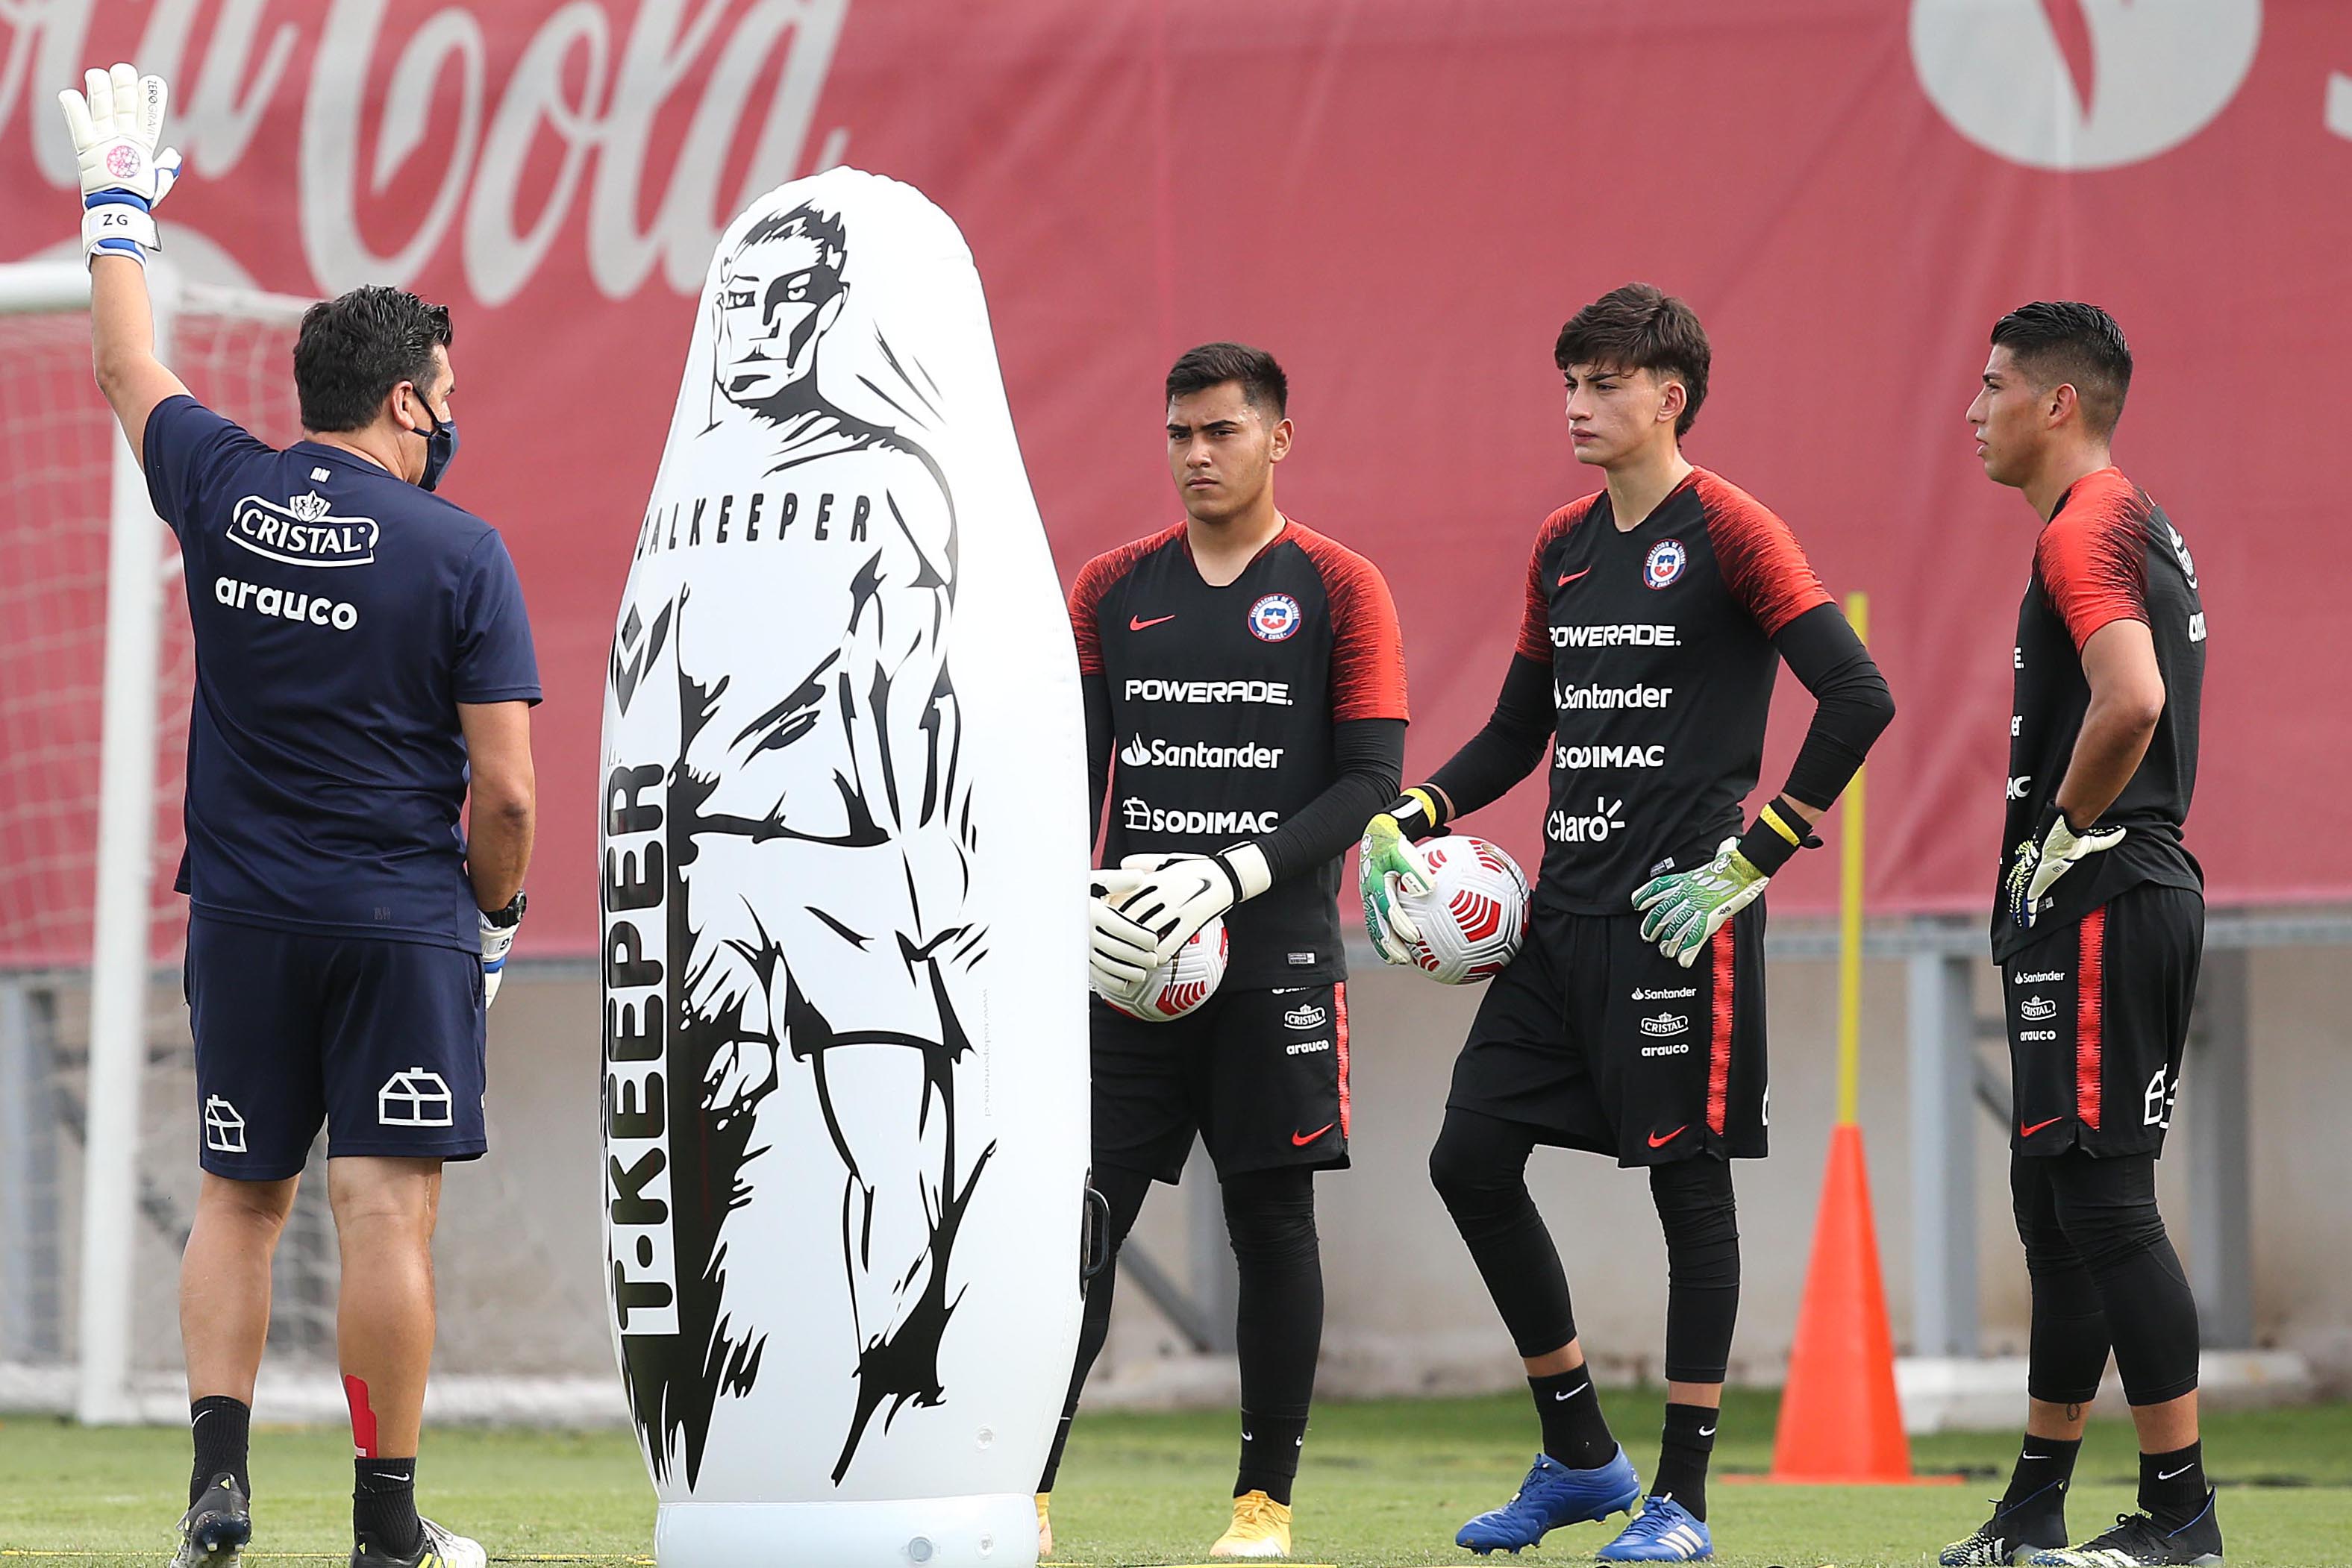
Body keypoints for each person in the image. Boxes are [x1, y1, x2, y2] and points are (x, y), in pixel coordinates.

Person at [61, 64, 537, 1568]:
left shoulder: (222, 482)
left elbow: (127, 364)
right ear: (407, 399)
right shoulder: (461, 551)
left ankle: (217, 1487)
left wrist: (118, 199)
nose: (451, 417)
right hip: (398, 917)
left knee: (238, 1195)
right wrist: (499, 907)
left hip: (245, 915)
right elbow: (511, 791)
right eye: (446, 396)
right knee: (385, 1216)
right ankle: (388, 1533)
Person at [1360, 283, 1893, 1561]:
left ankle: (1684, 1503)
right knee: (1467, 1159)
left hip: (1676, 926)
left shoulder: (1737, 533)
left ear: (1670, 397)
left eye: (1601, 384)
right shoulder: (1563, 544)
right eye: (1569, 383)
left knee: (1687, 1197)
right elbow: (1516, 731)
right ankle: (1580, 1454)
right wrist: (1414, 808)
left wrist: (1759, 851)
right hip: (1559, 926)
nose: (1577, 406)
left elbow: (1858, 695)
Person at [1046, 342, 1408, 1561]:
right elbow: (1066, 772)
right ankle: (1025, 1491)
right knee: (1079, 1224)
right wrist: (1073, 893)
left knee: (1272, 1224)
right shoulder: (1109, 585)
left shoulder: (1342, 587)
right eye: (1180, 435)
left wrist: (1232, 871)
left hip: (1273, 968)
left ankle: (1264, 1505)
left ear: (1277, 439)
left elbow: (1369, 780)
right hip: (1127, 976)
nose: (1198, 455)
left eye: (1223, 432)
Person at [1937, 302, 2215, 1568]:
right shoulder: (2116, 521)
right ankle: (2036, 1503)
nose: (1974, 410)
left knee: (2107, 1208)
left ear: (2058, 403)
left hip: (2107, 895)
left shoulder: (2091, 524)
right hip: (2088, 904)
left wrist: (2059, 831)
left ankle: (2181, 1515)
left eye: (1992, 387)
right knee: (2053, 1210)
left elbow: (2134, 699)